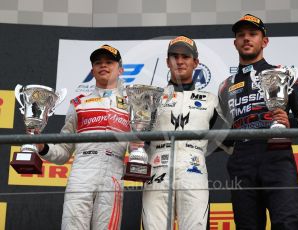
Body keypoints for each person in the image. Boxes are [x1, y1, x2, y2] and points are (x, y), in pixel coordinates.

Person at [218, 14, 298, 229]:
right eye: (241, 35)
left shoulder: (284, 74)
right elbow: (224, 133)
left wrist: (290, 123)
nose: (246, 39)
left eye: (253, 34)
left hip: (276, 156)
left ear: (265, 41)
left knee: (285, 223)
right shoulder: (225, 86)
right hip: (241, 160)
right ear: (235, 43)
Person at [37, 44, 130, 229]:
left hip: (114, 172)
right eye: (98, 63)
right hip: (82, 171)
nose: (103, 65)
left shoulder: (132, 103)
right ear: (92, 70)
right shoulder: (79, 103)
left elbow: (141, 144)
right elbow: (64, 151)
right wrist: (42, 147)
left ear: (120, 69)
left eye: (109, 62)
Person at [141, 36, 223, 229]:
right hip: (156, 171)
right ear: (167, 62)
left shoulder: (210, 100)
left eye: (185, 56)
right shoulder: (151, 97)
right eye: (174, 56)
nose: (179, 61)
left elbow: (227, 140)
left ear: (195, 62)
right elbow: (137, 137)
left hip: (193, 170)